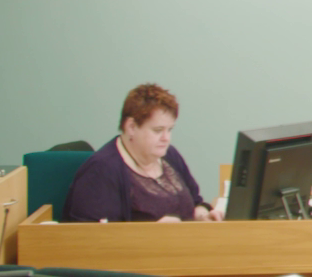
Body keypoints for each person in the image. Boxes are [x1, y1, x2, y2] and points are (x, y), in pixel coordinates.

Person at [67, 82, 221, 222]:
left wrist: (203, 215)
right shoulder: (101, 170)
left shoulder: (169, 154)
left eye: (170, 130)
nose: (166, 138)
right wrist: (153, 235)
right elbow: (93, 241)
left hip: (186, 246)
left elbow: (195, 201)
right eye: (158, 130)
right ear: (131, 127)